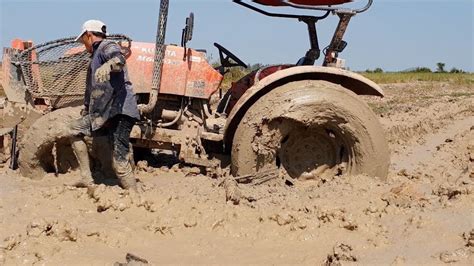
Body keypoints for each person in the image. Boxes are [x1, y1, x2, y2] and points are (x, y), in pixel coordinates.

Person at [67, 20, 140, 191]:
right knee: (73, 129)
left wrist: (109, 65)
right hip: (105, 112)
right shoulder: (95, 56)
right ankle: (87, 178)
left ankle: (135, 196)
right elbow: (92, 89)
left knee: (119, 161)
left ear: (88, 35)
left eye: (83, 39)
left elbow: (119, 59)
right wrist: (86, 108)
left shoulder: (107, 46)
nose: (83, 44)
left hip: (121, 111)